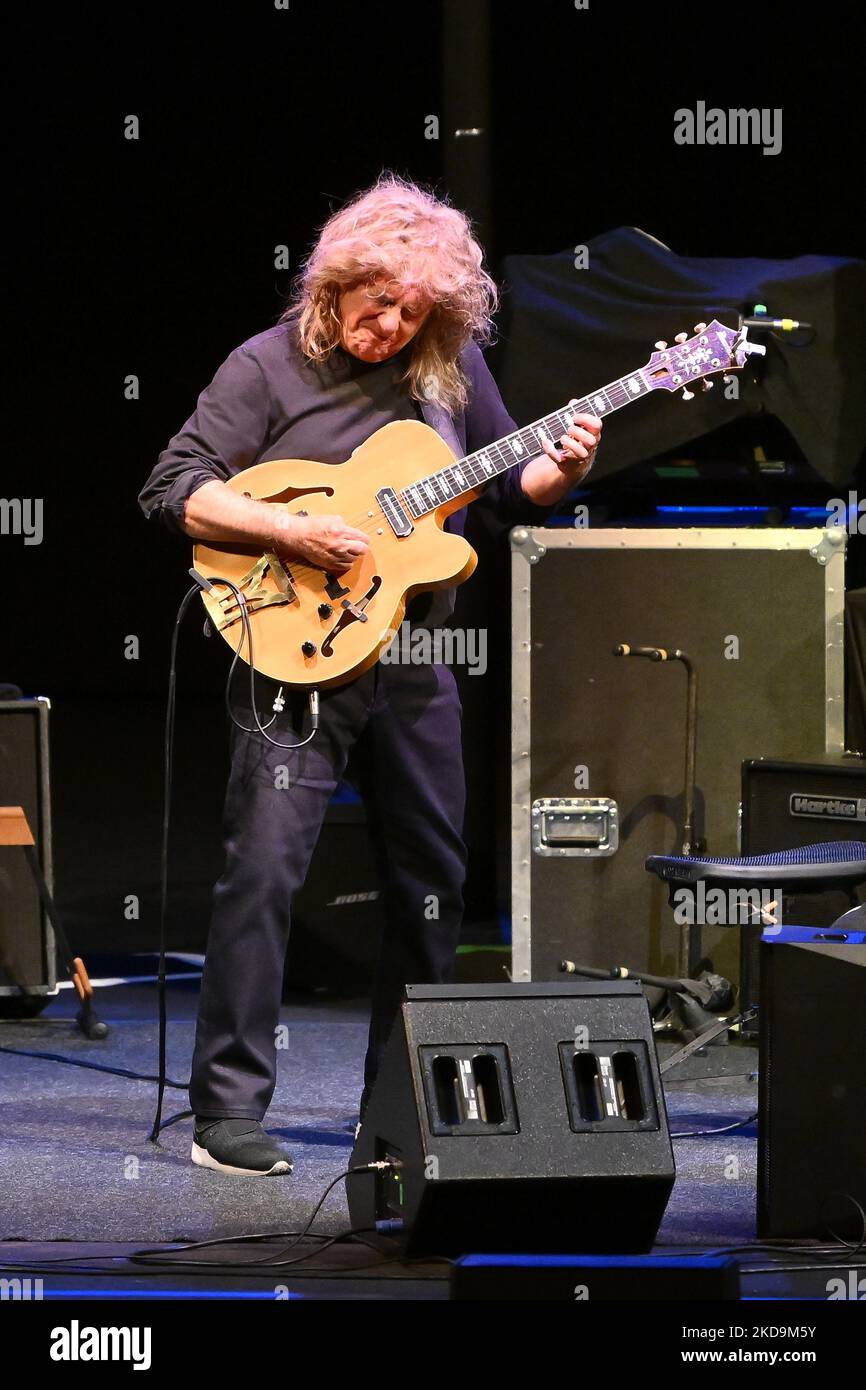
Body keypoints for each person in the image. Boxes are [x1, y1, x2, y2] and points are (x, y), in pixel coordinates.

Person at [138, 174, 601, 1175]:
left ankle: (400, 1112)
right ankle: (226, 1112)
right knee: (263, 872)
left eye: (412, 310)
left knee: (431, 881)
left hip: (415, 661)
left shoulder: (450, 370)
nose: (387, 324)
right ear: (335, 282)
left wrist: (557, 473)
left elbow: (508, 487)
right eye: (374, 301)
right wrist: (290, 525)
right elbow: (173, 489)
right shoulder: (264, 366)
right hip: (291, 658)